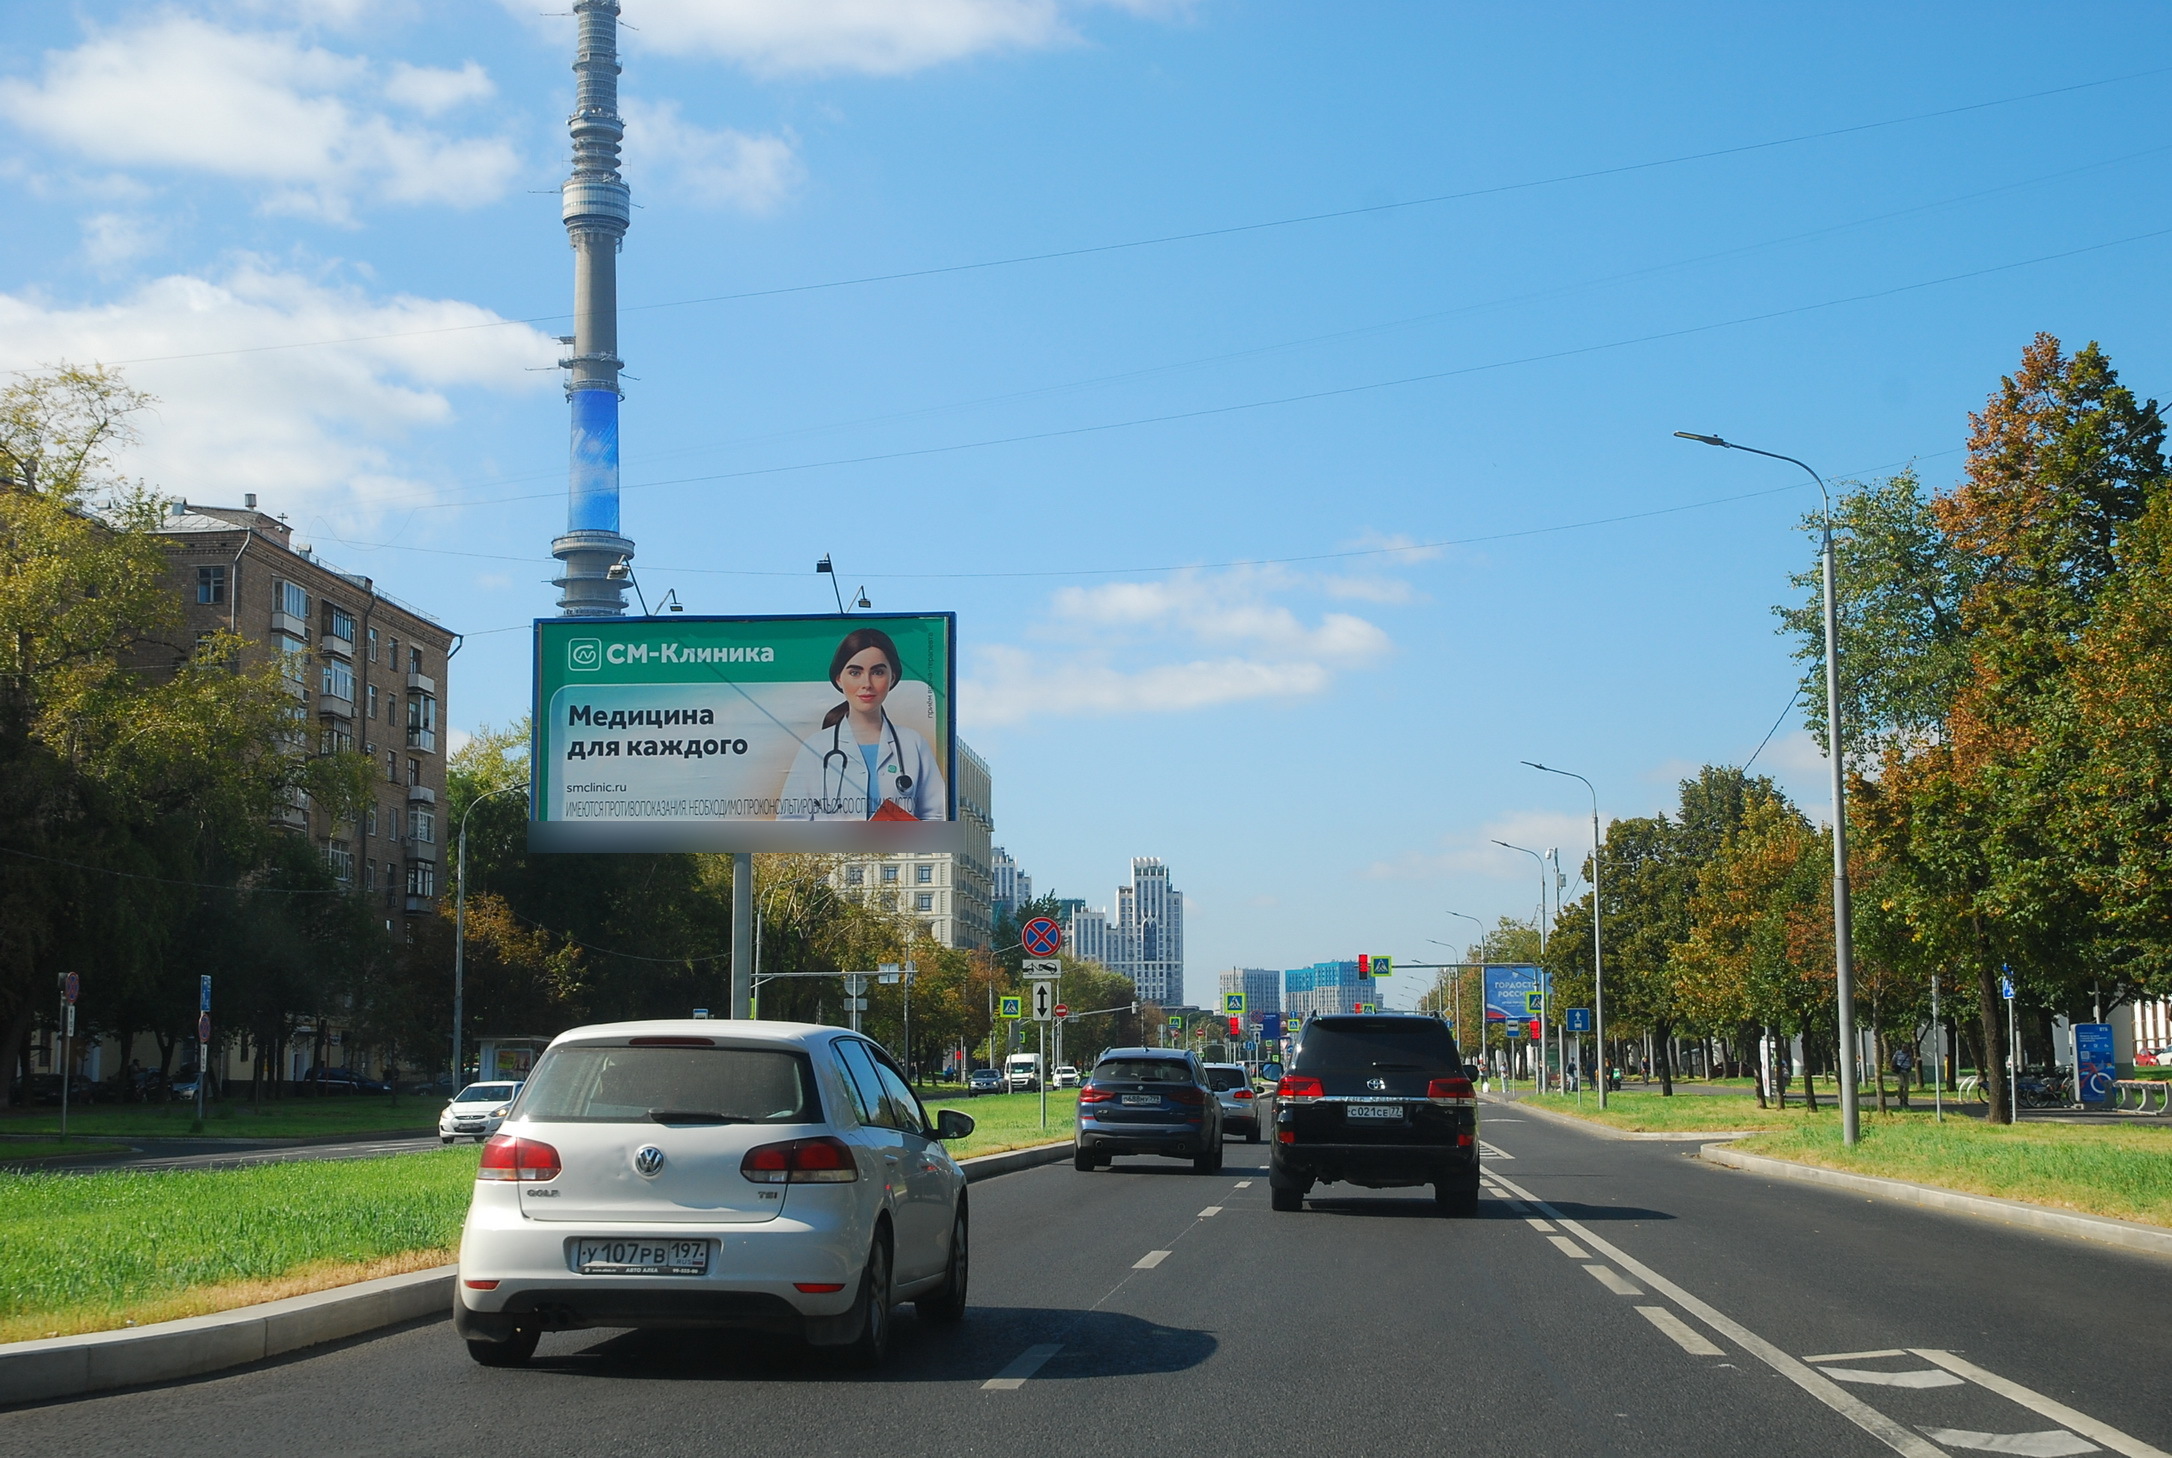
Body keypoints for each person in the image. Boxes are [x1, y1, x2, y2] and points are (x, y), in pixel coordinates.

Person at [777, 627, 947, 821]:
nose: (867, 683)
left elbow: (937, 817)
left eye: (878, 672)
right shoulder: (816, 747)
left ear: (892, 678)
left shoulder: (913, 744)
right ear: (839, 679)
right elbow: (790, 822)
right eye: (855, 673)